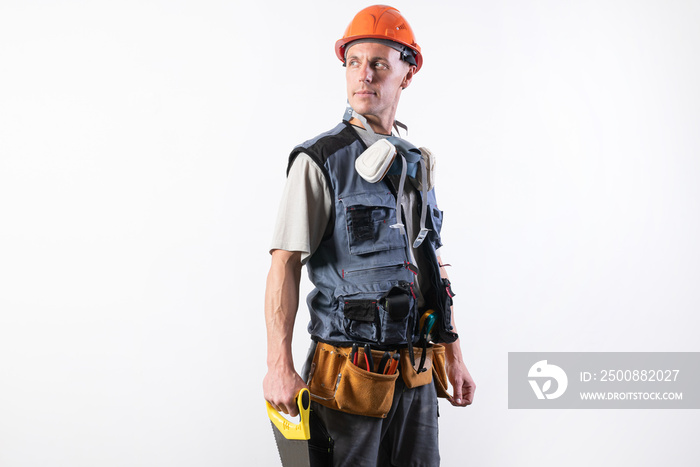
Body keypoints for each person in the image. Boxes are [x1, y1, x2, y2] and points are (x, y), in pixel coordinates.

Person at [263, 5, 475, 466]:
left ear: (407, 73)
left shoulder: (415, 165)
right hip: (348, 378)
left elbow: (430, 264)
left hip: (416, 373)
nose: (364, 75)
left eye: (379, 63)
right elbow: (284, 262)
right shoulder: (320, 160)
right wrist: (278, 365)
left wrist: (453, 353)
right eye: (354, 62)